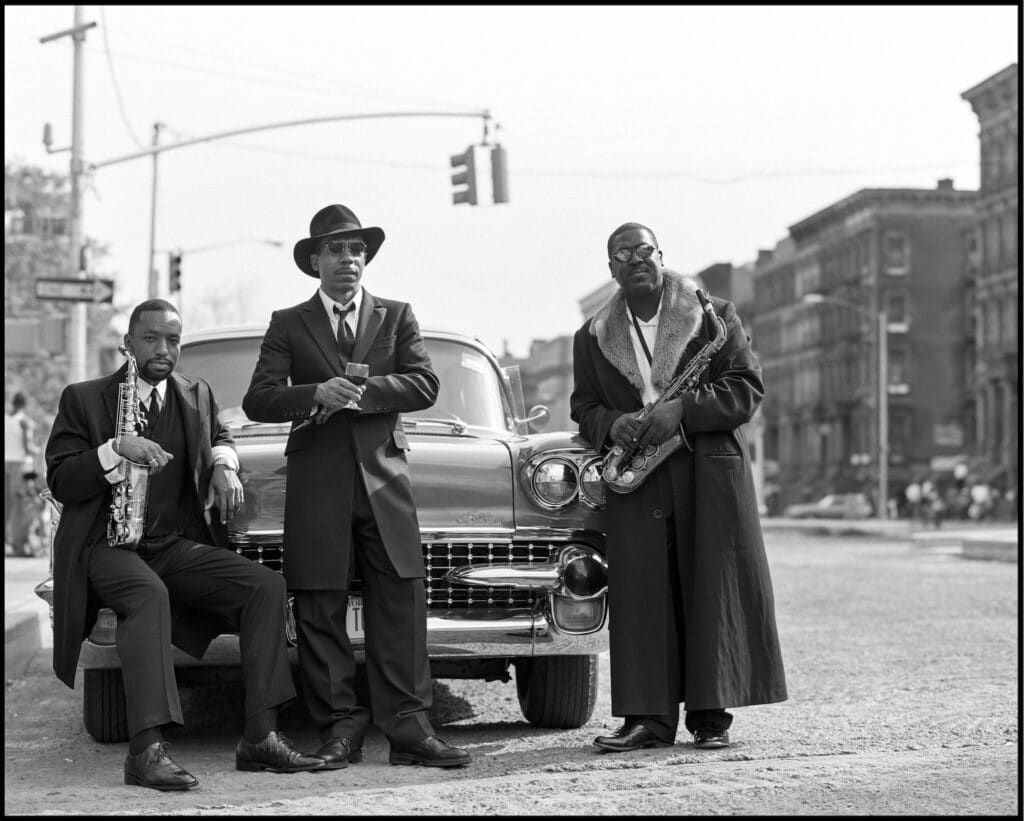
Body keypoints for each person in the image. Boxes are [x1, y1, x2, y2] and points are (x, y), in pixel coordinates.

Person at [45, 299, 325, 791]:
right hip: (106, 546)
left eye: (173, 339)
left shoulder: (196, 392)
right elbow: (63, 480)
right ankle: (145, 752)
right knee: (147, 595)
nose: (163, 349)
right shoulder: (84, 398)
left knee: (264, 586)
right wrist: (114, 450)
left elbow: (221, 432)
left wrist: (224, 464)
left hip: (171, 544)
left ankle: (261, 737)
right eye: (151, 338)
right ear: (128, 344)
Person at [242, 203, 470, 768]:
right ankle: (339, 730)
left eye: (357, 250)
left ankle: (411, 730)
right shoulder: (287, 323)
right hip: (317, 480)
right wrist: (315, 393)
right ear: (314, 259)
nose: (349, 260)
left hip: (384, 481)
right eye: (337, 250)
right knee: (319, 605)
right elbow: (259, 399)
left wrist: (367, 393)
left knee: (400, 600)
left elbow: (425, 383)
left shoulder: (397, 315)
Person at [570, 222, 787, 753]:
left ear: (661, 256)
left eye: (644, 249)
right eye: (623, 253)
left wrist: (682, 410)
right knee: (643, 594)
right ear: (612, 269)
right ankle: (647, 719)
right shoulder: (591, 335)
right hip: (638, 473)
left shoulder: (714, 315)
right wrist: (611, 424)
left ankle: (712, 718)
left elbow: (746, 387)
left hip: (705, 469)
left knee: (709, 587)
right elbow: (583, 407)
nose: (636, 258)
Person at [5, 391, 38, 554]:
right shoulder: (24, 421)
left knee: (7, 505)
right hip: (18, 465)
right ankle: (18, 544)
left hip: (5, 463)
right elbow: (28, 447)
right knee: (20, 505)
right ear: (24, 404)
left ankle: (8, 542)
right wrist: (41, 451)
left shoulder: (5, 418)